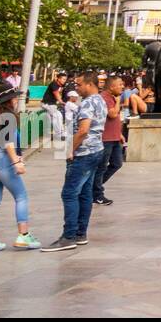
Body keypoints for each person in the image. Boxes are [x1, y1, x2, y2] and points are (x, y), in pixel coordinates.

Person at [42, 72, 108, 252]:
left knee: (69, 193)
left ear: (89, 84)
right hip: (96, 150)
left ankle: (68, 236)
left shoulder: (87, 103)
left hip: (84, 152)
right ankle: (80, 233)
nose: (76, 89)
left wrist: (70, 150)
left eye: (79, 85)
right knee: (85, 193)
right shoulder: (100, 100)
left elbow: (83, 130)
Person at [0, 80, 41, 252]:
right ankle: (24, 236)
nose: (15, 100)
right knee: (21, 196)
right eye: (13, 98)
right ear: (8, 100)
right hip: (3, 159)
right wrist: (16, 162)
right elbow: (8, 142)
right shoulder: (8, 117)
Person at [91, 74, 126, 207]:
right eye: (120, 84)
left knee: (117, 163)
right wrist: (118, 102)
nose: (122, 87)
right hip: (105, 138)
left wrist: (120, 133)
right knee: (101, 167)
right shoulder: (105, 98)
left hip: (114, 137)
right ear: (111, 87)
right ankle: (97, 194)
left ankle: (94, 187)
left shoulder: (112, 96)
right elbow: (112, 114)